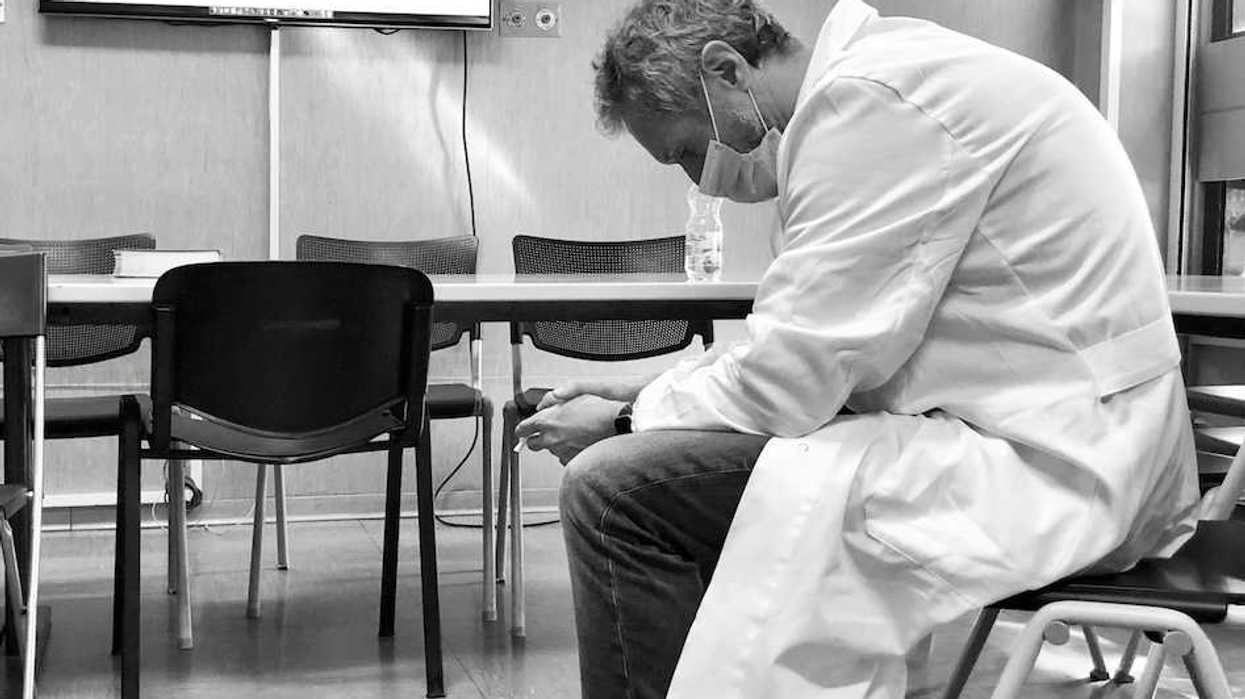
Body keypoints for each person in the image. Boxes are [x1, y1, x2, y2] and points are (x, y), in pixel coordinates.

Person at [515, 0, 1201, 696]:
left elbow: (794, 380)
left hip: (1056, 466)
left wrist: (622, 422)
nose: (698, 178)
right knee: (673, 474)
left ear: (725, 69)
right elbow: (803, 340)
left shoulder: (872, 107)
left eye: (686, 149)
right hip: (1058, 428)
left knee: (614, 490)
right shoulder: (887, 80)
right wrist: (642, 395)